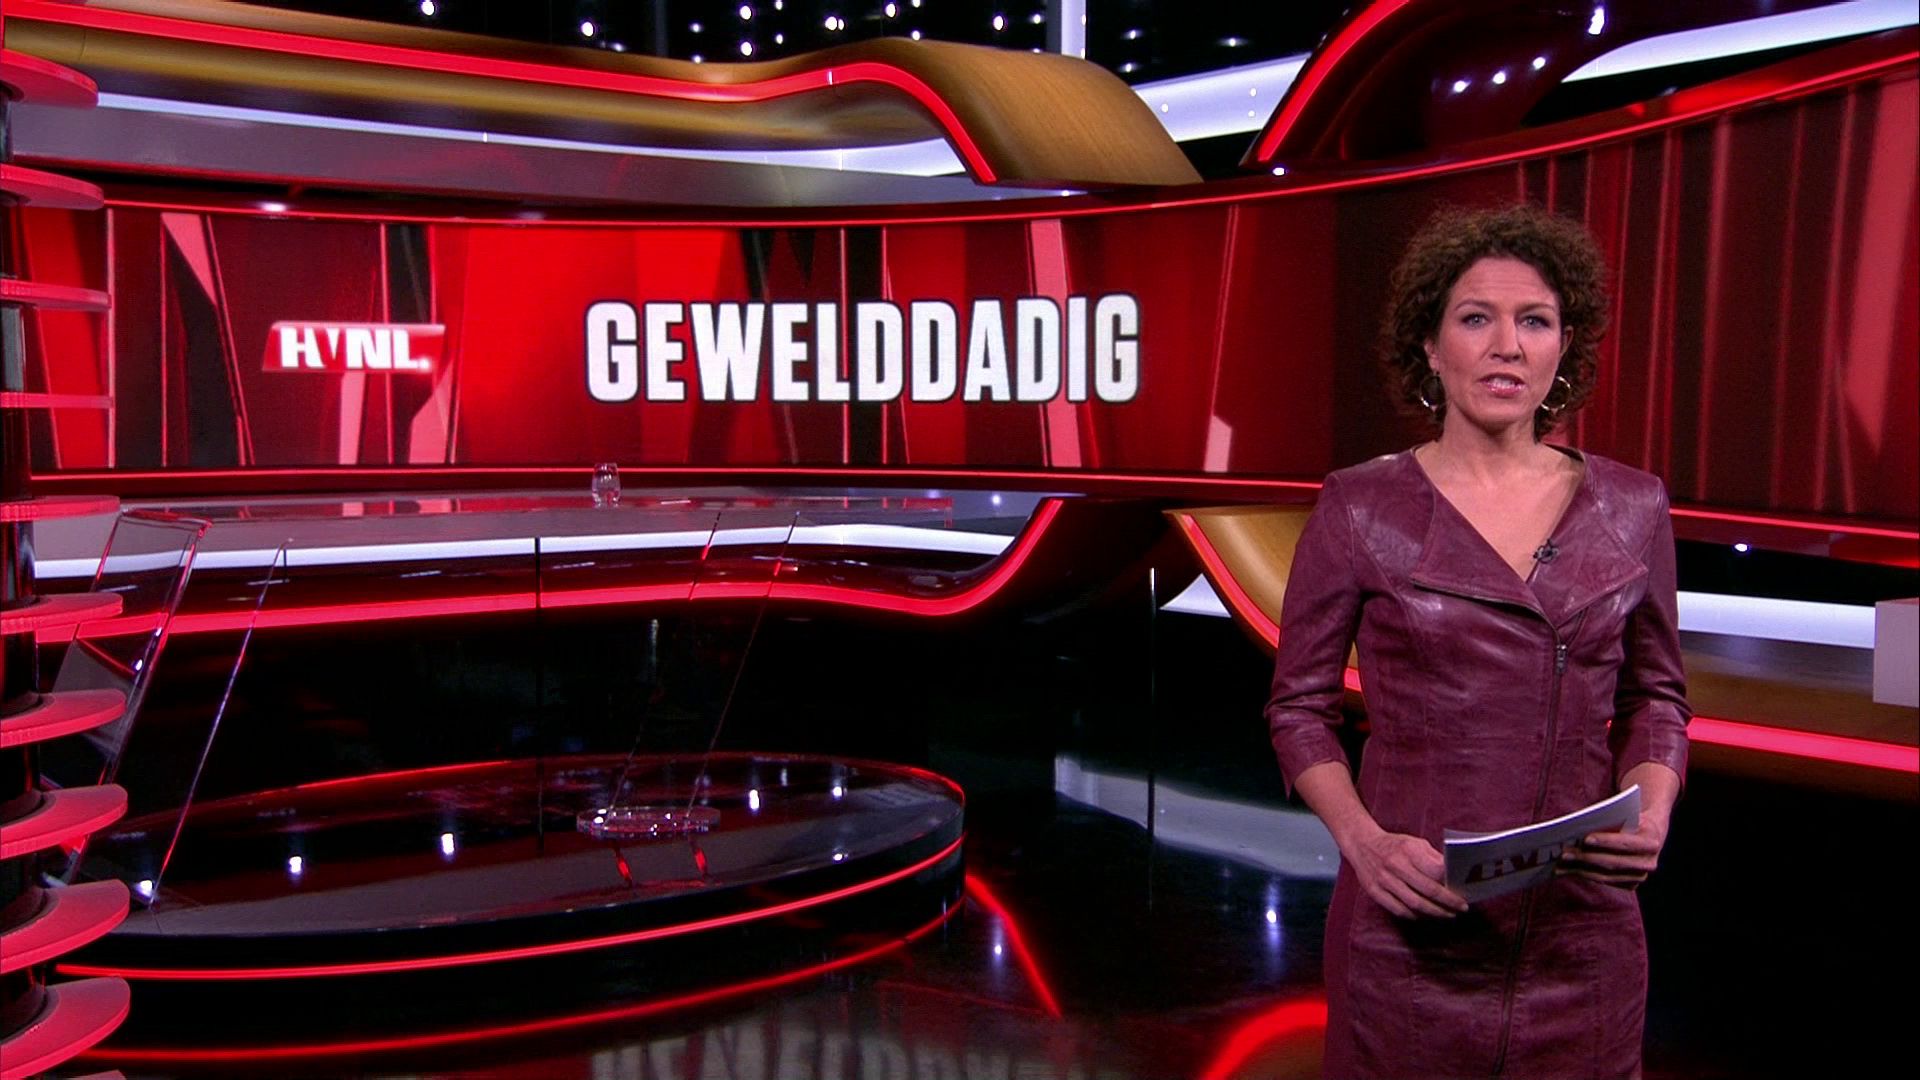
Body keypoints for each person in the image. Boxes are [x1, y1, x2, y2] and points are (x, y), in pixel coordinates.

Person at [1265, 204, 1689, 1078]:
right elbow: (1299, 709)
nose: (1507, 347)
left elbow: (1657, 698)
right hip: (1413, 935)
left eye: (1534, 321)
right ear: (1429, 345)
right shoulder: (1359, 507)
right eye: (1475, 319)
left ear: (1564, 346)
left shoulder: (1634, 506)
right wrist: (1365, 844)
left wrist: (1653, 806)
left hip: (1585, 942)